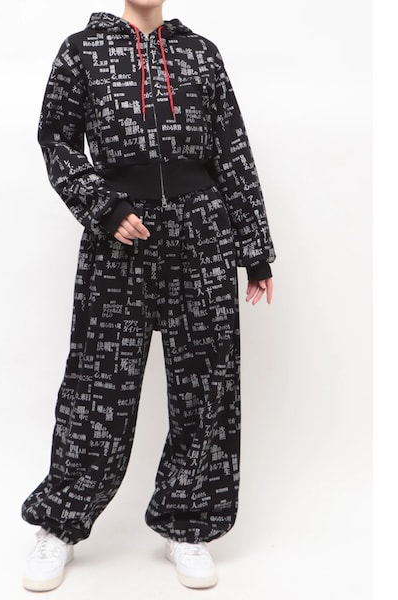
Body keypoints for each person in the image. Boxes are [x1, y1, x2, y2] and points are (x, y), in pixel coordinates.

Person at [21, 0, 276, 592]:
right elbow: (57, 140)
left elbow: (232, 151)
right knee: (96, 389)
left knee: (207, 385)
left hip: (202, 238)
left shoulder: (201, 55)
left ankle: (188, 524)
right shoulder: (82, 52)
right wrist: (104, 207)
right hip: (118, 242)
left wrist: (254, 249)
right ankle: (59, 525)